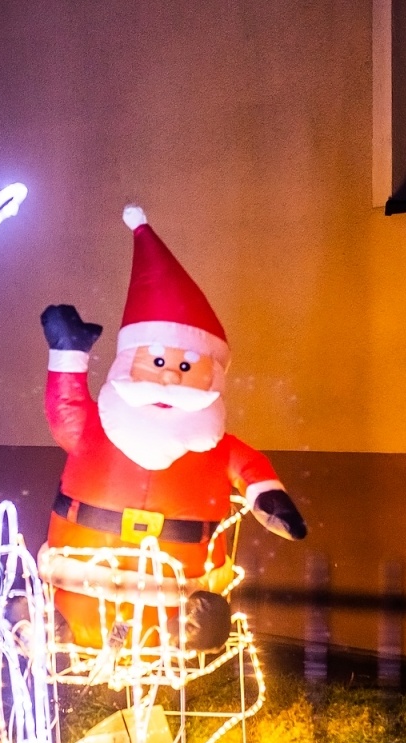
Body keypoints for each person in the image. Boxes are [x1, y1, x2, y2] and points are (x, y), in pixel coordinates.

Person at [39, 205, 307, 649]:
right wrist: (68, 354)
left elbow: (251, 469)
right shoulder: (97, 429)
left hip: (178, 580)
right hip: (83, 566)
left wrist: (270, 501)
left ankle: (184, 633)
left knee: (171, 626)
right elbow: (65, 412)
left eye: (185, 366)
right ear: (131, 361)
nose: (168, 377)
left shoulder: (215, 445)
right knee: (78, 614)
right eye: (158, 361)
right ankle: (63, 628)